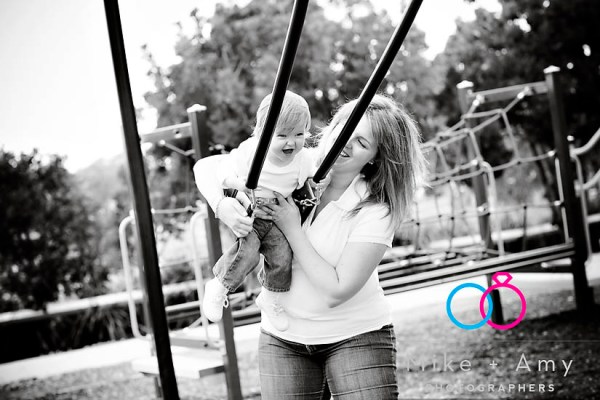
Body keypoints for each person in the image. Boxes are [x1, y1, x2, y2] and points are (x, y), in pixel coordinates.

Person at [194, 94, 426, 399]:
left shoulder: (376, 208)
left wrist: (292, 227)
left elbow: (337, 290)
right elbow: (205, 167)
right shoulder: (301, 162)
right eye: (344, 130)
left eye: (361, 142)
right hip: (283, 338)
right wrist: (221, 204)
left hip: (355, 335)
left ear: (375, 157)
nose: (345, 143)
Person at [201, 90, 314, 331]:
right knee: (248, 253)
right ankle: (219, 285)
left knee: (282, 257)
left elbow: (316, 175)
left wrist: (316, 183)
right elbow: (222, 171)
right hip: (251, 215)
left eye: (299, 134)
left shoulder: (303, 159)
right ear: (262, 134)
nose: (291, 142)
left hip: (276, 220)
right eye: (282, 135)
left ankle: (270, 298)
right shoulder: (251, 151)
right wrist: (237, 184)